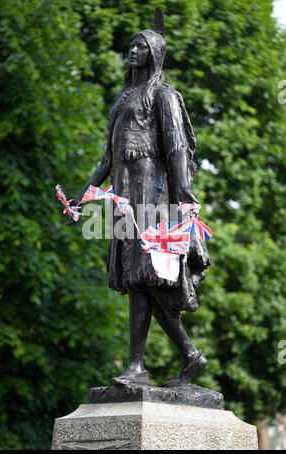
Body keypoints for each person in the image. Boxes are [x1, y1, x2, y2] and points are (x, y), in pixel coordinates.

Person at [70, 10, 210, 387]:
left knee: (144, 276)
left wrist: (183, 197)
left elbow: (177, 147)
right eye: (131, 44)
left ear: (156, 53)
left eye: (142, 46)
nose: (133, 50)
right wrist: (82, 198)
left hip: (153, 191)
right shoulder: (124, 97)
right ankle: (182, 358)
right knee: (137, 278)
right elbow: (108, 158)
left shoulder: (163, 95)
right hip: (125, 195)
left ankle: (142, 366)